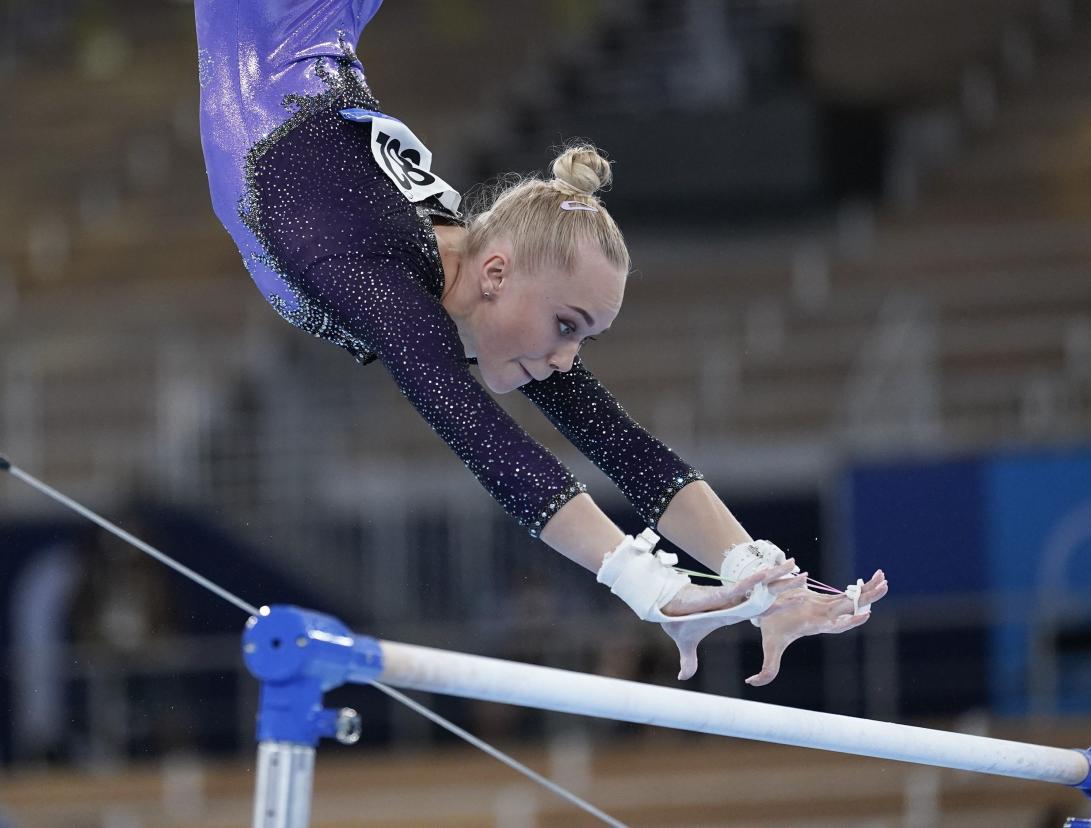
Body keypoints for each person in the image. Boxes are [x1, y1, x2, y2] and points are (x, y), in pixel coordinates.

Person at [193, 0, 887, 686]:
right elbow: (483, 439)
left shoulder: (484, 279)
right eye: (568, 326)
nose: (567, 358)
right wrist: (653, 589)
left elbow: (623, 445)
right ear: (495, 273)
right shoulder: (374, 265)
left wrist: (764, 581)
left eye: (582, 337)